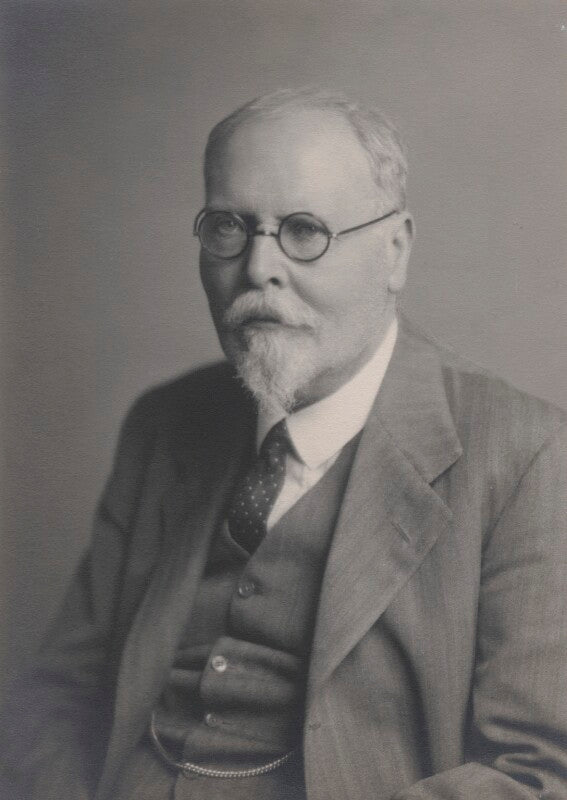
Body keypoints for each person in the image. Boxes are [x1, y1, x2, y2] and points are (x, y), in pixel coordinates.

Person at [1, 87, 566, 800]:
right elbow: (58, 695)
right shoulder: (163, 423)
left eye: (304, 231)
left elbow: (536, 771)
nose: (258, 268)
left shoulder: (525, 453)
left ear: (394, 251)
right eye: (228, 228)